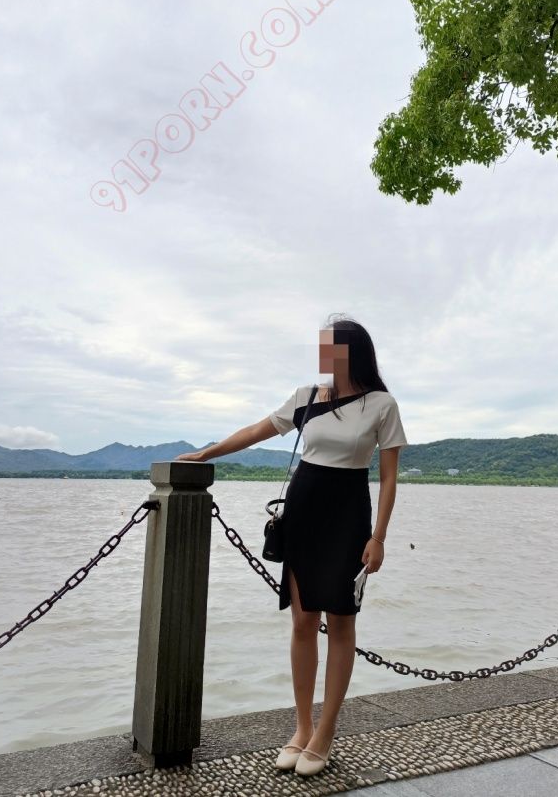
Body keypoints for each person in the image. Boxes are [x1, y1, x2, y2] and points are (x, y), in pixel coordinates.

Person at [175, 315, 408, 777]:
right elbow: (258, 430)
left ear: (351, 352)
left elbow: (388, 478)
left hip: (347, 515)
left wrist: (378, 537)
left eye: (330, 347)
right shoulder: (307, 397)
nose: (322, 355)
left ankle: (326, 732)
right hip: (303, 511)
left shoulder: (382, 404)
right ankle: (302, 728)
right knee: (303, 621)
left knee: (340, 622)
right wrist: (208, 452)